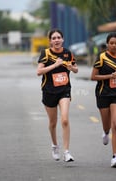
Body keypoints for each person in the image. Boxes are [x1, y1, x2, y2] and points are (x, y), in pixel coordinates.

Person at [36, 29, 78, 162]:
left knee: (64, 119)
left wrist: (72, 68)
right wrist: (55, 65)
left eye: (59, 37)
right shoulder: (46, 53)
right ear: (50, 41)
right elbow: (39, 71)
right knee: (53, 123)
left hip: (64, 90)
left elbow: (76, 69)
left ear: (63, 39)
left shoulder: (68, 53)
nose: (56, 40)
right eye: (53, 38)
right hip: (49, 91)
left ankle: (66, 151)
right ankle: (55, 145)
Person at [91, 32, 116, 168]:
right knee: (107, 125)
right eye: (111, 43)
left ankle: (115, 157)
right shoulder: (101, 57)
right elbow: (93, 77)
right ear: (107, 44)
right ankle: (106, 132)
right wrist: (109, 76)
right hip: (103, 94)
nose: (114, 45)